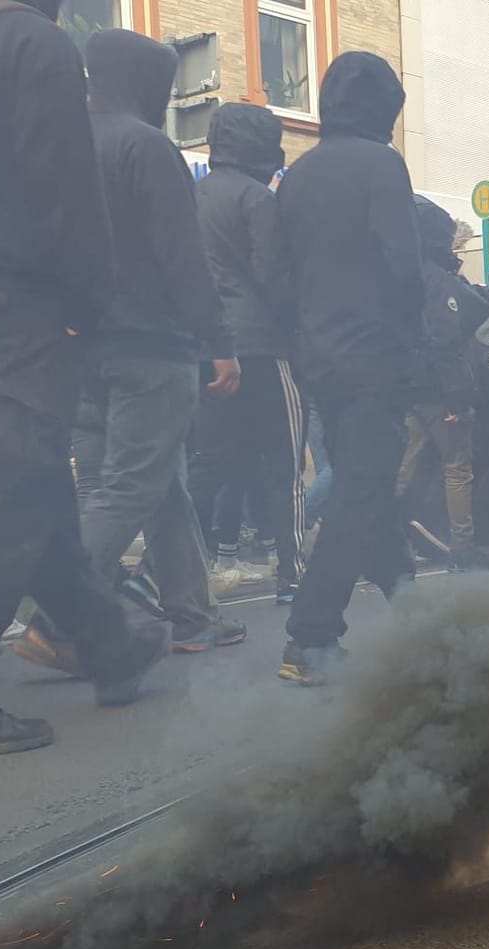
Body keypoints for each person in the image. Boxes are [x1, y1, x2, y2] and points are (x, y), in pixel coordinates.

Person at [0, 0, 169, 759]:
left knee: (33, 480)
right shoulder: (34, 44)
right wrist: (90, 301)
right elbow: (64, 192)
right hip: (22, 303)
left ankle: (107, 639)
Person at [17, 28, 241, 669]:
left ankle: (193, 616)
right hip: (151, 346)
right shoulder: (145, 146)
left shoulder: (60, 147)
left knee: (150, 485)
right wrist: (218, 342)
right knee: (127, 490)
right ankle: (53, 620)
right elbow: (183, 257)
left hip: (82, 350)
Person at [272, 51, 421, 686]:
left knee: (367, 486)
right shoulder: (383, 165)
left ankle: (420, 616)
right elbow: (405, 271)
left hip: (319, 361)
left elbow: (280, 278)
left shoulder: (297, 176)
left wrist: (302, 348)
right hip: (372, 359)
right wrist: (413, 353)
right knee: (361, 491)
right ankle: (311, 636)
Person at [191, 101, 307, 604]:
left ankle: (174, 567)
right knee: (286, 465)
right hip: (262, 344)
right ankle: (293, 571)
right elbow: (274, 278)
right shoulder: (259, 199)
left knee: (211, 463)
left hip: (207, 346)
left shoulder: (192, 195)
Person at [396, 196, 489, 570]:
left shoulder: (399, 273)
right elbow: (444, 340)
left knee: (401, 468)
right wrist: (458, 398)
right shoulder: (438, 281)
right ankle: (463, 548)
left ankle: (373, 539)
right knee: (457, 467)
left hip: (405, 386)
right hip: (437, 389)